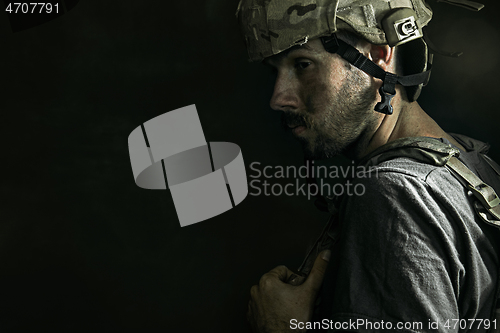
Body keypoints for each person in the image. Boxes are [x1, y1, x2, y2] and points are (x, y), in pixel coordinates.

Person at [236, 0, 500, 332]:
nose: (279, 97)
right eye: (275, 72)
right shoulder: (474, 165)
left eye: (303, 65)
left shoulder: (392, 194)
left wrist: (280, 327)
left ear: (379, 55)